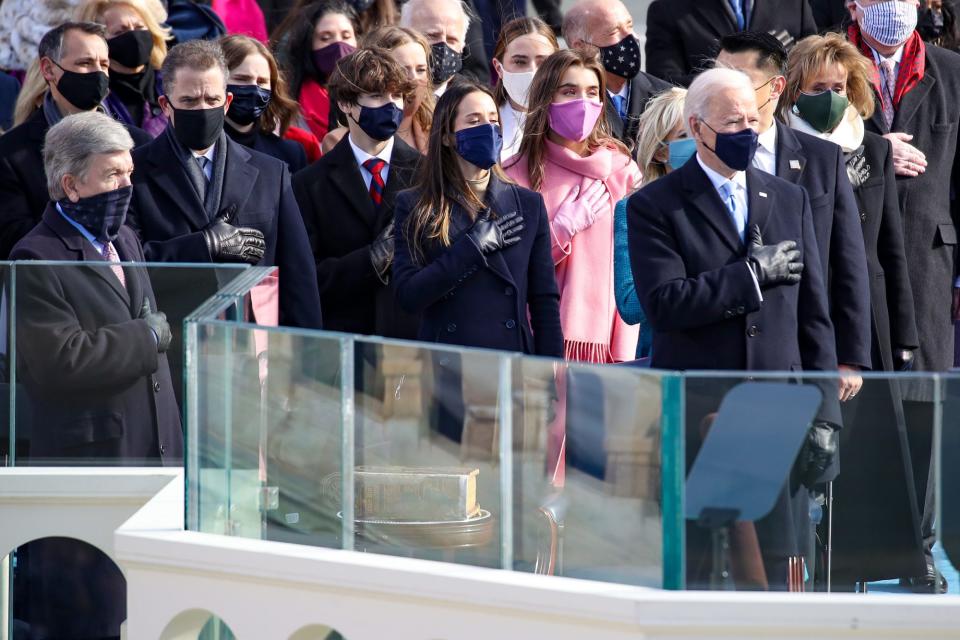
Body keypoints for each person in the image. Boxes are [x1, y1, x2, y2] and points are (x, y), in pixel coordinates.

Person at [627, 67, 840, 588]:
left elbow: (813, 313)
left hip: (778, 415)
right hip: (702, 417)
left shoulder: (787, 198)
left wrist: (827, 413)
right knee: (704, 571)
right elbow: (664, 304)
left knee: (781, 570)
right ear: (697, 129)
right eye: (732, 121)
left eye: (753, 118)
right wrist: (749, 276)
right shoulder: (655, 206)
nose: (746, 130)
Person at [9, 109, 182, 640]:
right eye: (113, 175)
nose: (127, 185)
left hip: (154, 456)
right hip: (91, 468)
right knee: (94, 620)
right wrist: (147, 337)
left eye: (129, 172)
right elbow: (61, 361)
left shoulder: (125, 240)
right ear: (70, 183)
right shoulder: (35, 256)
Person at [781, 31, 924, 590]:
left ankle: (869, 567)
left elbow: (892, 247)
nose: (832, 96)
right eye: (820, 87)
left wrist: (905, 332)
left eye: (840, 86)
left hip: (869, 318)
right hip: (809, 315)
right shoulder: (781, 147)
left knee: (871, 453)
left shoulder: (873, 147)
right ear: (795, 88)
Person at [846, 0, 960, 593]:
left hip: (928, 263)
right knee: (858, 402)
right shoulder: (829, 66)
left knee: (923, 409)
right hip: (854, 260)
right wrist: (871, 149)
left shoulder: (950, 70)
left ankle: (918, 553)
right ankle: (855, 556)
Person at [717, 32, 871, 403]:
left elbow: (847, 260)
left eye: (738, 80)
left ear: (776, 86)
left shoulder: (822, 159)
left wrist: (849, 357)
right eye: (717, 77)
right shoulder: (703, 152)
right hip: (722, 353)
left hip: (801, 351)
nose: (722, 89)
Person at [127, 39, 322, 329]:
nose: (203, 108)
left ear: (227, 101)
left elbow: (299, 277)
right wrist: (203, 245)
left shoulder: (271, 173)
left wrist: (308, 359)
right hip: (166, 342)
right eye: (189, 101)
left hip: (246, 346)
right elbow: (127, 262)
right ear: (166, 105)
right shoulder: (134, 171)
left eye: (212, 100)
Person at [392, 80, 563, 357]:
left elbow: (544, 300)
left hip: (511, 364)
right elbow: (408, 296)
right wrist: (470, 249)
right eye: (474, 121)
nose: (488, 128)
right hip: (446, 367)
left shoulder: (528, 204)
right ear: (447, 136)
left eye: (493, 119)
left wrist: (548, 370)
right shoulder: (414, 204)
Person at [504, 48, 641, 364]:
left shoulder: (622, 171)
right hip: (540, 345)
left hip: (611, 347)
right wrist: (559, 232)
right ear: (546, 99)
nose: (583, 102)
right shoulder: (515, 174)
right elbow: (510, 268)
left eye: (592, 92)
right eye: (569, 92)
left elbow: (634, 264)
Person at [293, 47, 421, 339]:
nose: (391, 106)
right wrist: (370, 260)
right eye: (377, 96)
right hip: (343, 344)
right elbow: (307, 277)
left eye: (396, 96)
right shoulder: (309, 184)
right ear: (346, 104)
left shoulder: (427, 175)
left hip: (412, 346)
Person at [0, 22, 152, 259]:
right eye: (85, 63)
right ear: (49, 69)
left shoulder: (138, 143)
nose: (98, 73)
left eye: (104, 64)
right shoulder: (10, 154)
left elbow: (147, 231)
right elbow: (13, 239)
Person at [614, 87, 689, 360]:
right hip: (664, 359)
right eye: (684, 136)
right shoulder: (634, 209)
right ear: (660, 153)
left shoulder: (732, 199)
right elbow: (630, 304)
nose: (697, 143)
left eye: (701, 131)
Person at [563, 0, 670, 150]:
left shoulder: (666, 96)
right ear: (581, 46)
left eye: (630, 26)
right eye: (614, 31)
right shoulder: (564, 103)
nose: (632, 37)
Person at [645, 0, 818, 86]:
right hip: (713, 128)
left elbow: (814, 65)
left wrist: (778, 59)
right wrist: (731, 75)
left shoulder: (794, 3)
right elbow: (663, 84)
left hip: (782, 125)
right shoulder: (668, 9)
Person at [321, 25, 435, 154]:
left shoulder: (440, 133)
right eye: (402, 70)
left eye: (421, 70)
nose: (413, 78)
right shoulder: (338, 142)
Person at [76, 0, 171, 137]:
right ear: (99, 41)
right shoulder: (96, 97)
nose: (134, 37)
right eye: (120, 31)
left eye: (139, 27)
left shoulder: (173, 82)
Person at [220, 34, 307, 171]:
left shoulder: (289, 154)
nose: (254, 88)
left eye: (262, 81)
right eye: (241, 79)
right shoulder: (199, 150)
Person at [274, 0, 358, 141]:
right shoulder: (289, 105)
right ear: (307, 45)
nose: (338, 45)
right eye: (325, 37)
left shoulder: (371, 98)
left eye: (346, 36)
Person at [492, 16, 558, 162]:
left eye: (544, 63)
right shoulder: (486, 126)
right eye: (520, 62)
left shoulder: (573, 119)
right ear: (499, 68)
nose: (532, 72)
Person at [399, 0, 480, 95]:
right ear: (404, 35)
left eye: (451, 39)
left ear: (462, 46)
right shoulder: (384, 95)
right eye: (432, 36)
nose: (443, 47)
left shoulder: (471, 101)